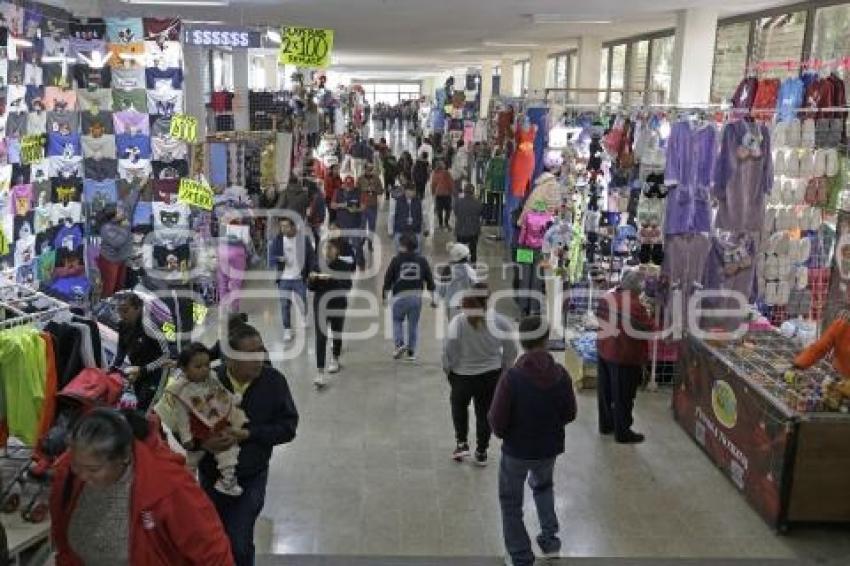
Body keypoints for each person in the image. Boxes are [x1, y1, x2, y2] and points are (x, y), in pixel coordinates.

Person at [50, 408, 235, 565]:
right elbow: (62, 538)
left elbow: (213, 554)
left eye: (93, 469)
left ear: (124, 457)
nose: (81, 475)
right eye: (76, 465)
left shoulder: (169, 487)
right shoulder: (69, 473)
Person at [199, 324, 298, 566]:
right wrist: (204, 443)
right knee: (213, 540)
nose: (259, 359)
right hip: (212, 477)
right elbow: (183, 427)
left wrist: (249, 434)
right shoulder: (208, 382)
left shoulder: (274, 382)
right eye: (250, 354)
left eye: (261, 351)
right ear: (230, 358)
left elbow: (288, 428)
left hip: (251, 476)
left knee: (239, 543)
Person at [488, 316, 577, 566]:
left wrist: (508, 434)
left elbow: (496, 420)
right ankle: (550, 543)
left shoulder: (512, 377)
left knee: (510, 501)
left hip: (517, 450)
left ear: (522, 340)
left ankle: (520, 555)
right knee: (544, 488)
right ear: (546, 339)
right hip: (549, 449)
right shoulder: (561, 375)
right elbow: (570, 414)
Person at [154, 343, 248, 496]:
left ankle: (227, 480)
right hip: (197, 429)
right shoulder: (180, 390)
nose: (205, 369)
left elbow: (222, 392)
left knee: (227, 450)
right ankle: (188, 485)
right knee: (193, 459)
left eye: (207, 364)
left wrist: (232, 399)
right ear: (184, 369)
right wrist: (186, 437)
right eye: (198, 367)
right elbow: (181, 417)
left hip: (216, 422)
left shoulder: (211, 378)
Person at [443, 283, 517, 465]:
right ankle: (482, 451)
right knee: (485, 413)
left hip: (462, 376)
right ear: (488, 299)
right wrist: (505, 370)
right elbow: (511, 351)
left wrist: (449, 371)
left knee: (459, 408)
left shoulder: (458, 321)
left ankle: (461, 444)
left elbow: (448, 351)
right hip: (491, 375)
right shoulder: (501, 322)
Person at [595, 269, 653, 444]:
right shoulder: (635, 306)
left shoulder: (607, 295)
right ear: (638, 288)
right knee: (624, 396)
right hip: (624, 355)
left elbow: (598, 316)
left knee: (605, 392)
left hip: (604, 349)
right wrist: (652, 315)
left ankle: (606, 425)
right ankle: (623, 432)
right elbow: (647, 329)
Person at [109, 292, 171, 411]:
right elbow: (121, 350)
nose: (121, 315)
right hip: (138, 370)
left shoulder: (149, 326)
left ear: (138, 308)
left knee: (146, 408)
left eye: (125, 311)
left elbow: (166, 355)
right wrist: (112, 369)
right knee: (134, 404)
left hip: (157, 372)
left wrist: (144, 370)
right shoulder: (122, 325)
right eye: (119, 311)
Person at [308, 237, 355, 388]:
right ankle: (320, 371)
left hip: (338, 303)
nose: (327, 251)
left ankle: (335, 357)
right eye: (325, 248)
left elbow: (347, 286)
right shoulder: (318, 264)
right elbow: (311, 287)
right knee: (320, 337)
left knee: (336, 332)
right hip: (320, 304)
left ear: (337, 250)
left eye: (331, 248)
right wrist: (312, 279)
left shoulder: (344, 266)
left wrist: (332, 278)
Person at [382, 232, 437, 362]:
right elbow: (429, 280)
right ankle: (411, 352)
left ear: (402, 246)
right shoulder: (422, 260)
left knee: (397, 321)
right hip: (415, 297)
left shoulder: (396, 260)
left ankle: (399, 345)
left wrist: (384, 296)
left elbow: (388, 279)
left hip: (399, 297)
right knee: (413, 325)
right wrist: (434, 298)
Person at [269, 217, 316, 342]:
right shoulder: (277, 241)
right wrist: (278, 259)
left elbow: (312, 257)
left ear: (294, 227)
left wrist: (311, 270)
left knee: (303, 301)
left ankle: (304, 316)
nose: (283, 229)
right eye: (282, 226)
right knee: (285, 305)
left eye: (286, 226)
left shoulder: (303, 240)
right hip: (284, 278)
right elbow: (270, 259)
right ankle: (287, 329)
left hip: (299, 278)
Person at [437, 242, 479, 322]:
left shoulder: (447, 269)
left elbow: (441, 289)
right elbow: (476, 287)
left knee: (453, 327)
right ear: (465, 257)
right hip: (465, 304)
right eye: (468, 254)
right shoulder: (469, 270)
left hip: (451, 304)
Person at [331, 176, 366, 270]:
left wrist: (356, 210)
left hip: (355, 224)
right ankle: (347, 265)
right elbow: (332, 205)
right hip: (342, 224)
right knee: (344, 246)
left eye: (350, 186)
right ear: (343, 184)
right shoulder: (337, 192)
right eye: (347, 185)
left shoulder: (358, 192)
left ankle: (361, 263)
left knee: (357, 245)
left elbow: (363, 207)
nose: (348, 188)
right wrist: (343, 205)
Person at [389, 183, 425, 252]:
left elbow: (422, 215)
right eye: (410, 191)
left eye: (414, 191)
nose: (412, 193)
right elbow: (392, 215)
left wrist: (426, 228)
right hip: (400, 229)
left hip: (415, 230)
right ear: (405, 191)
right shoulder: (397, 201)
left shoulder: (418, 201)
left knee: (417, 251)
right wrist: (390, 230)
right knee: (399, 252)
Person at [453, 183, 483, 263]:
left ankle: (461, 266)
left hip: (460, 230)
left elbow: (456, 213)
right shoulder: (478, 203)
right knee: (473, 251)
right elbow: (480, 213)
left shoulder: (458, 202)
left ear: (464, 191)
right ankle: (473, 267)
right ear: (473, 192)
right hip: (474, 231)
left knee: (460, 251)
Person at [357, 162, 384, 244]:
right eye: (368, 169)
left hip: (373, 205)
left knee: (372, 224)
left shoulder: (376, 178)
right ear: (364, 169)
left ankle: (370, 241)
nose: (370, 171)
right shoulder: (360, 179)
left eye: (371, 169)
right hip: (363, 205)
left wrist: (375, 190)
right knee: (362, 224)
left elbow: (381, 190)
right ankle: (363, 238)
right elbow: (357, 191)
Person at [431, 161, 455, 231]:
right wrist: (451, 191)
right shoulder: (446, 173)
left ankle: (441, 224)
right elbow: (450, 183)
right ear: (442, 165)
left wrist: (433, 192)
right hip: (446, 193)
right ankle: (446, 223)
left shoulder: (435, 173)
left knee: (439, 210)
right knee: (448, 209)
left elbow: (433, 184)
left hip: (438, 194)